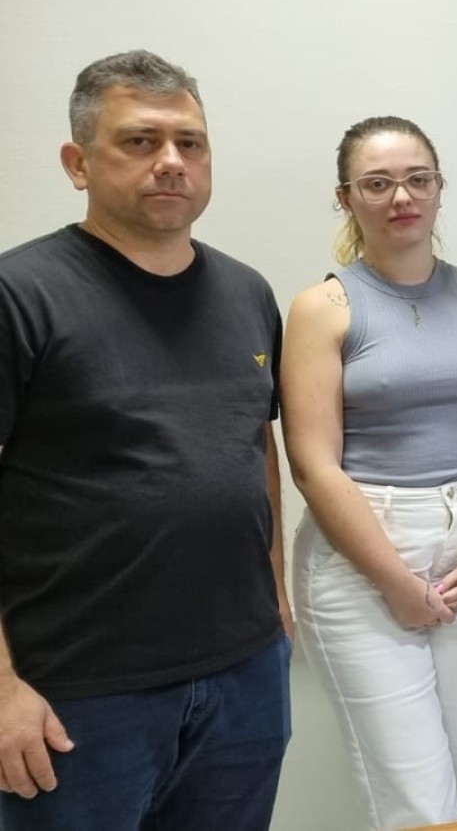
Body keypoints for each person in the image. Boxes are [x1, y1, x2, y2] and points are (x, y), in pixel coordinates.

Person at [0, 51, 291, 828]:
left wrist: (276, 607)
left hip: (244, 677)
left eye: (189, 143)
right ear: (77, 163)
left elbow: (255, 450)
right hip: (77, 695)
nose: (170, 161)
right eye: (139, 141)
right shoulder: (20, 295)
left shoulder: (247, 292)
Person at [282, 116, 457, 828]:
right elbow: (312, 465)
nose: (402, 197)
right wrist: (394, 580)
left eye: (419, 179)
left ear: (440, 187)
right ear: (345, 197)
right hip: (362, 559)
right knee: (419, 801)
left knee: (450, 763)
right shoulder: (323, 309)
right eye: (378, 183)